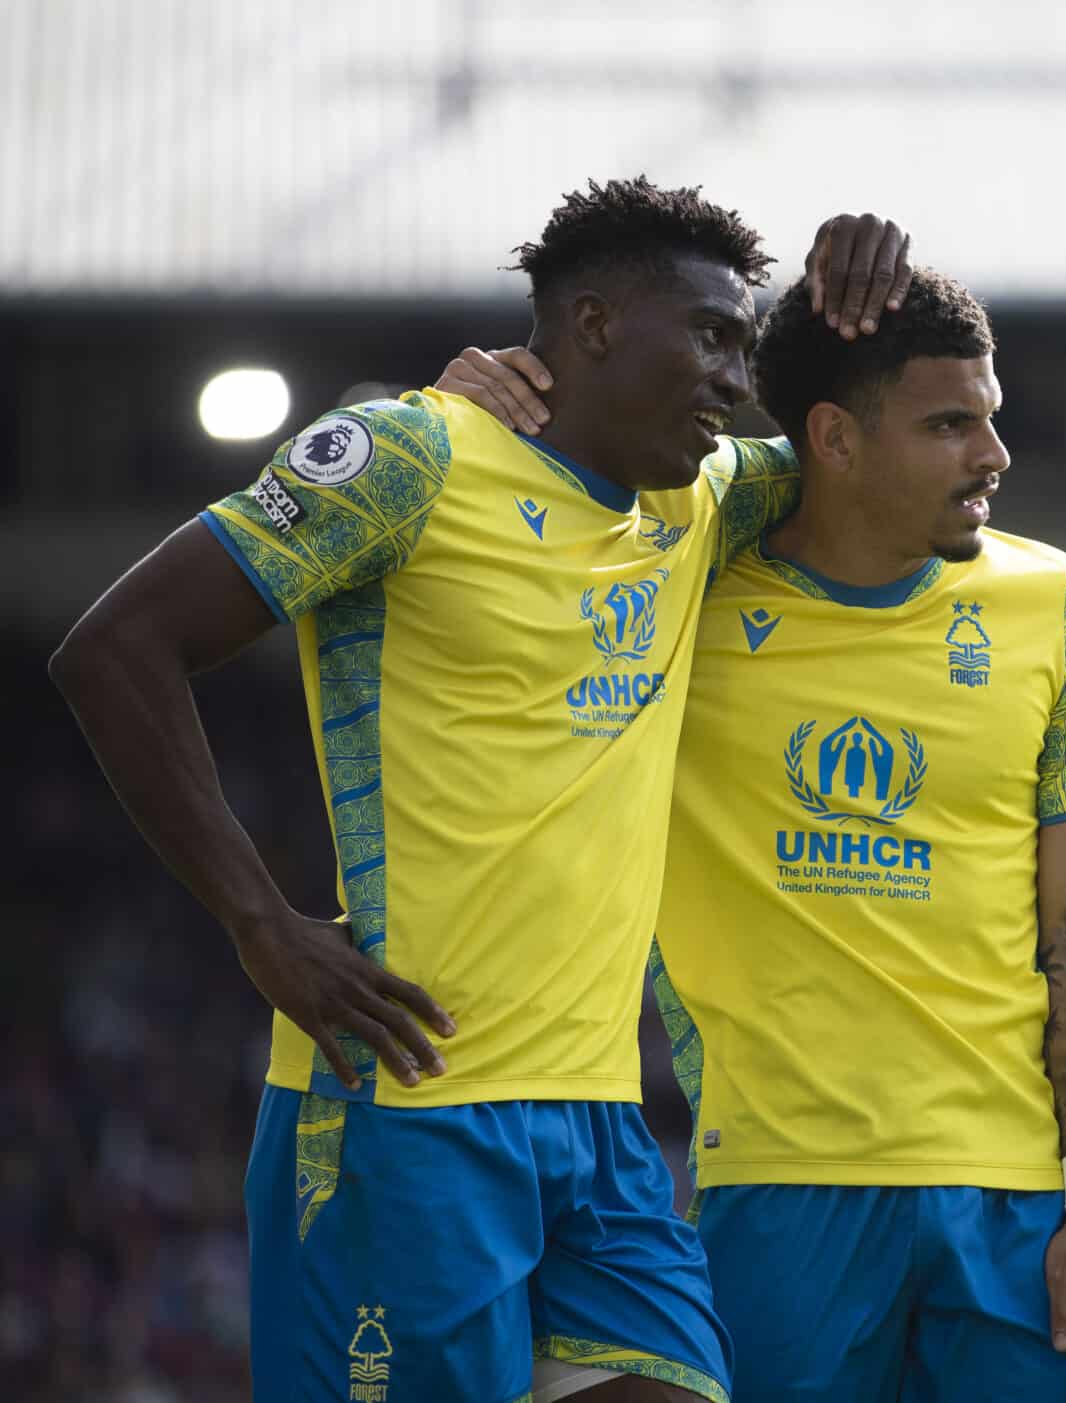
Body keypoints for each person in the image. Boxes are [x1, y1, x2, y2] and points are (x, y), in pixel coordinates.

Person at [48, 176, 911, 1403]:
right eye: (714, 335)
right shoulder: (413, 457)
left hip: (599, 1127)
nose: (737, 375)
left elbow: (868, 450)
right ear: (598, 326)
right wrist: (258, 921)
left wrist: (850, 302)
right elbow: (114, 648)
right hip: (409, 1109)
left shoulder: (699, 495)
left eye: (748, 341)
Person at [440, 267, 1066, 1403]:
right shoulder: (682, 589)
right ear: (833, 437)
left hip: (1016, 1203)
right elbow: (553, 487)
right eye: (947, 423)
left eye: (991, 417)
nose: (992, 455)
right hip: (776, 1184)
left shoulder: (1056, 603)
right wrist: (480, 402)